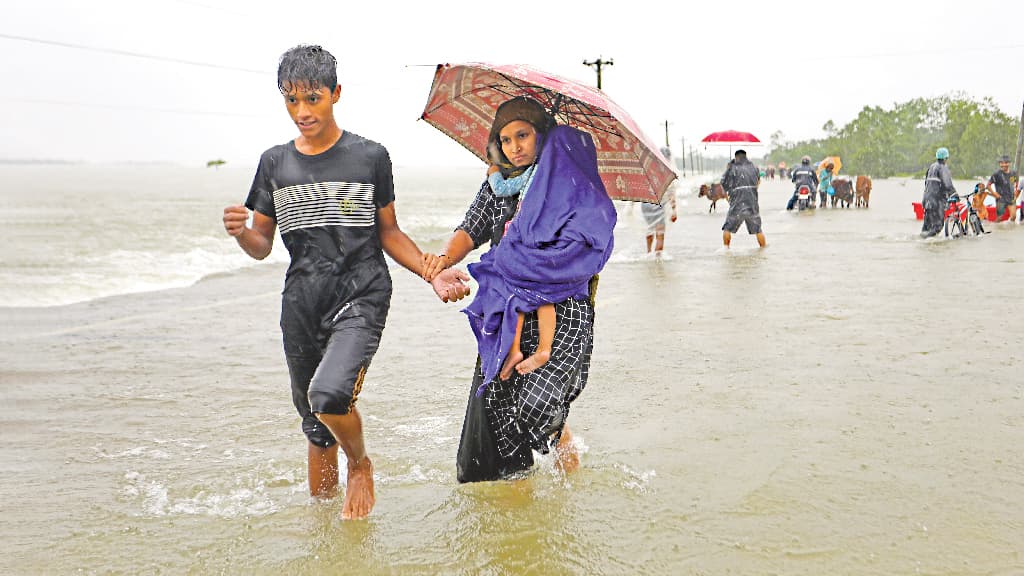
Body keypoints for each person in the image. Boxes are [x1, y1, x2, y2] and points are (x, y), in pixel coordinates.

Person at [221, 45, 468, 519]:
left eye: (312, 98)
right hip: (301, 302)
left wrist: (432, 273)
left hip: (362, 291)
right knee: (315, 424)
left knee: (329, 395)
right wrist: (241, 234)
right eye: (291, 100)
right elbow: (262, 245)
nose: (302, 112)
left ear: (336, 93)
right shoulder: (274, 163)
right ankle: (327, 535)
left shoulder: (370, 156)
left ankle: (360, 465)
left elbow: (389, 232)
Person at [421, 96, 617, 482]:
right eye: (506, 139)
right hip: (506, 308)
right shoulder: (497, 185)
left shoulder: (568, 181)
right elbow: (471, 228)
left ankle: (567, 464)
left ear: (542, 136)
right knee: (494, 421)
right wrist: (441, 262)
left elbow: (588, 239)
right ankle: (518, 500)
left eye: (524, 135)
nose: (515, 146)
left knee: (537, 404)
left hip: (559, 309)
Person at [484, 160, 556, 381]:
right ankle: (527, 349)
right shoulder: (560, 177)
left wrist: (494, 172)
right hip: (541, 236)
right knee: (535, 295)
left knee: (519, 295)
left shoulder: (535, 170)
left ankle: (530, 349)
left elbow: (502, 189)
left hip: (521, 237)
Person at [720, 149, 766, 247]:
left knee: (727, 228)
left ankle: (726, 250)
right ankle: (763, 249)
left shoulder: (732, 167)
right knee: (758, 229)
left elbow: (723, 183)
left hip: (737, 202)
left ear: (736, 157)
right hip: (752, 203)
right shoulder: (754, 167)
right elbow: (758, 182)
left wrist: (728, 168)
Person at [639, 147, 678, 257]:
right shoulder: (667, 171)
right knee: (660, 233)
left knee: (649, 229)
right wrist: (674, 210)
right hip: (659, 203)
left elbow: (641, 186)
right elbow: (671, 192)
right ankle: (657, 260)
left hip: (646, 204)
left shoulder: (649, 168)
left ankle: (648, 253)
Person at [921, 147, 956, 238]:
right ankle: (927, 240)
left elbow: (927, 183)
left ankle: (923, 240)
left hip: (926, 200)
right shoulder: (943, 168)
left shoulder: (931, 167)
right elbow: (947, 184)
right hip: (936, 201)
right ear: (946, 158)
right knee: (938, 226)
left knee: (926, 227)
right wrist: (955, 195)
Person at [988, 154, 1019, 222]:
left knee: (1013, 217)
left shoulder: (1013, 173)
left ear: (1009, 163)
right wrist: (994, 194)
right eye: (1001, 163)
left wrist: (1015, 193)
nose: (1003, 164)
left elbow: (1013, 184)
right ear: (999, 164)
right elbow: (988, 185)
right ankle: (996, 229)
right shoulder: (996, 174)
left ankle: (1010, 230)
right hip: (1001, 199)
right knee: (999, 218)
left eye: (1006, 163)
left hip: (1011, 198)